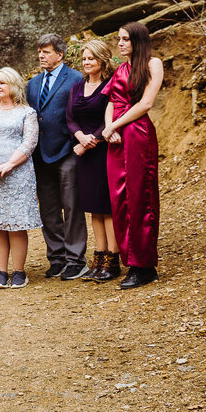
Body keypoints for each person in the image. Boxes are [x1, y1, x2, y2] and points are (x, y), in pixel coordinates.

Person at [102, 22, 164, 290]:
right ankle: (130, 261)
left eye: (126, 39)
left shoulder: (153, 64)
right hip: (115, 139)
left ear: (138, 40)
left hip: (138, 134)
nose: (121, 43)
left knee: (140, 197)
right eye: (119, 39)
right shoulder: (120, 69)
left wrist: (116, 125)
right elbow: (111, 102)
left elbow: (146, 103)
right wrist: (108, 128)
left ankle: (144, 266)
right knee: (119, 198)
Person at [25, 34, 88, 280]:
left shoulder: (75, 79)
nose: (41, 56)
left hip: (68, 152)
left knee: (72, 207)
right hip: (40, 155)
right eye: (39, 51)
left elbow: (81, 114)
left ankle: (75, 259)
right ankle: (57, 257)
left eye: (47, 51)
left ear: (60, 55)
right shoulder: (32, 84)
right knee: (48, 210)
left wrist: (78, 143)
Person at [0, 67, 41, 289]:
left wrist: (9, 164)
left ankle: (19, 272)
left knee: (16, 224)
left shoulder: (26, 112)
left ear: (15, 85)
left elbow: (29, 143)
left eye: (4, 82)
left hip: (18, 174)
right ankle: (1, 272)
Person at [66, 39, 120, 283]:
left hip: (104, 151)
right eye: (84, 59)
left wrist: (92, 141)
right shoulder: (77, 88)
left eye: (91, 58)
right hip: (83, 154)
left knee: (107, 207)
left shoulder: (110, 85)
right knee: (93, 208)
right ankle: (98, 257)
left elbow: (111, 117)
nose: (87, 63)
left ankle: (113, 258)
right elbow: (70, 118)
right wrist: (79, 137)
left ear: (102, 60)